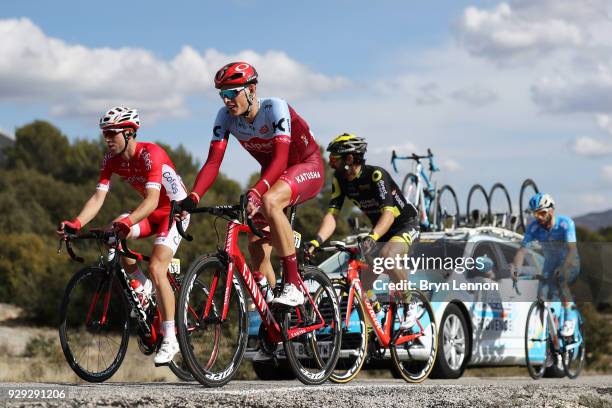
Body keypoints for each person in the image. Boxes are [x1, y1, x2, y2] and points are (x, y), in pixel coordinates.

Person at [180, 62, 324, 307]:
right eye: (222, 94)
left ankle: (293, 285)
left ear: (252, 89)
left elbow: (280, 159)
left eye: (232, 92)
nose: (226, 100)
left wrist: (258, 191)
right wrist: (192, 198)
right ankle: (273, 310)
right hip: (273, 175)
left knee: (269, 201)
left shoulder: (275, 108)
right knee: (256, 246)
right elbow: (213, 163)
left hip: (305, 166)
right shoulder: (225, 117)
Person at [57, 107, 189, 364]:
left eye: (112, 133)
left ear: (130, 133)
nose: (107, 139)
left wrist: (126, 223)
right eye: (104, 133)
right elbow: (98, 197)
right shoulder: (111, 159)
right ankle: (142, 285)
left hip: (175, 212)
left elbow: (151, 201)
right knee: (114, 229)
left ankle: (171, 337)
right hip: (152, 213)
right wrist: (76, 222)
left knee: (157, 265)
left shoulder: (151, 154)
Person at [304, 133, 420, 329]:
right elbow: (332, 216)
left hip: (405, 224)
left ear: (349, 159)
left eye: (334, 159)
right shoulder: (340, 180)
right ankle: (376, 309)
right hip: (381, 231)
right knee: (363, 281)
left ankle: (410, 303)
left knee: (387, 254)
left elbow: (389, 215)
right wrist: (316, 241)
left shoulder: (376, 176)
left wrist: (373, 236)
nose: (331, 164)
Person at [511, 193, 580, 337]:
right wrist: (516, 267)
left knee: (561, 280)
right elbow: (522, 251)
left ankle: (570, 316)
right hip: (550, 263)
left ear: (551, 210)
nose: (539, 218)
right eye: (536, 214)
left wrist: (563, 268)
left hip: (570, 260)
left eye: (542, 213)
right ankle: (552, 334)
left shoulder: (565, 224)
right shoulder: (534, 228)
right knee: (542, 292)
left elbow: (572, 250)